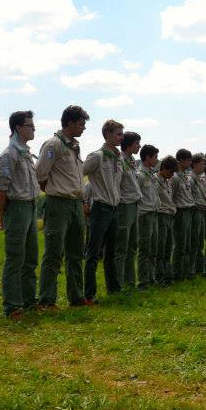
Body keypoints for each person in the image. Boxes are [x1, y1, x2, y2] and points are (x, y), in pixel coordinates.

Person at [36, 104, 89, 309]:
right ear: (70, 123)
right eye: (81, 124)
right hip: (58, 204)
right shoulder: (52, 145)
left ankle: (76, 297)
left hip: (76, 203)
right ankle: (47, 301)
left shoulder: (74, 146)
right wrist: (54, 191)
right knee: (54, 253)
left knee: (76, 253)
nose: (83, 128)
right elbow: (40, 175)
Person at [0, 110, 40, 320]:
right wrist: (3, 215)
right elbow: (1, 190)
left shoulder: (27, 153)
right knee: (15, 259)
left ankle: (29, 301)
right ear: (18, 128)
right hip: (17, 208)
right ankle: (12, 307)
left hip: (30, 206)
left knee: (30, 258)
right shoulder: (8, 155)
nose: (33, 129)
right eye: (30, 125)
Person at [82, 119, 124, 301]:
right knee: (93, 253)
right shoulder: (97, 156)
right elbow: (79, 174)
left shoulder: (119, 158)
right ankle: (89, 294)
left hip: (114, 209)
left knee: (112, 252)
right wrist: (83, 200)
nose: (121, 137)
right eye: (118, 134)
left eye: (122, 134)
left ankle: (113, 289)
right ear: (107, 134)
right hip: (100, 208)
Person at [116, 131, 142, 289]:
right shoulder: (119, 161)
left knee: (132, 246)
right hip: (124, 206)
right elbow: (116, 184)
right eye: (137, 143)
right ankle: (118, 283)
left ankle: (130, 282)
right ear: (129, 144)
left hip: (134, 205)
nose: (139, 146)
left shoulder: (132, 162)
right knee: (121, 247)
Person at [135, 144, 161, 288]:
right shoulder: (139, 174)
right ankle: (143, 280)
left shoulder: (152, 174)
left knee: (153, 248)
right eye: (155, 157)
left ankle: (151, 277)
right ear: (147, 157)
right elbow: (137, 196)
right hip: (144, 215)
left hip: (154, 213)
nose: (157, 160)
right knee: (144, 248)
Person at [171, 149, 195, 280]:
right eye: (188, 160)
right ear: (180, 160)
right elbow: (172, 196)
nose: (190, 163)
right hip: (180, 212)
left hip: (188, 210)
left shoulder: (186, 176)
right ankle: (176, 273)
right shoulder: (174, 177)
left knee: (187, 244)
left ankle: (185, 273)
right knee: (179, 244)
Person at [155, 155, 177, 284]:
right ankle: (159, 277)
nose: (171, 174)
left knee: (169, 247)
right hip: (161, 216)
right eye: (170, 171)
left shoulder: (168, 181)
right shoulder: (154, 179)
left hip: (170, 216)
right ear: (163, 168)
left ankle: (168, 275)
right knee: (161, 247)